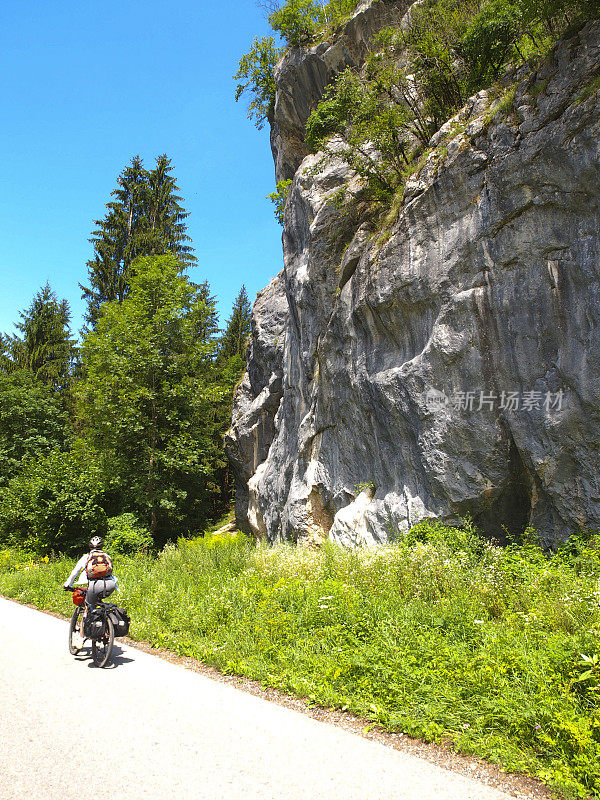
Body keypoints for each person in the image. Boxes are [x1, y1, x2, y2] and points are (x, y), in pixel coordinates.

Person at [64, 536, 118, 638]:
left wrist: (67, 585)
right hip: (110, 585)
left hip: (94, 586)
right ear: (102, 546)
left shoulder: (86, 557)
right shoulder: (107, 556)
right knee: (99, 602)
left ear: (90, 546)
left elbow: (74, 572)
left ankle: (81, 636)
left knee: (88, 607)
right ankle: (105, 624)